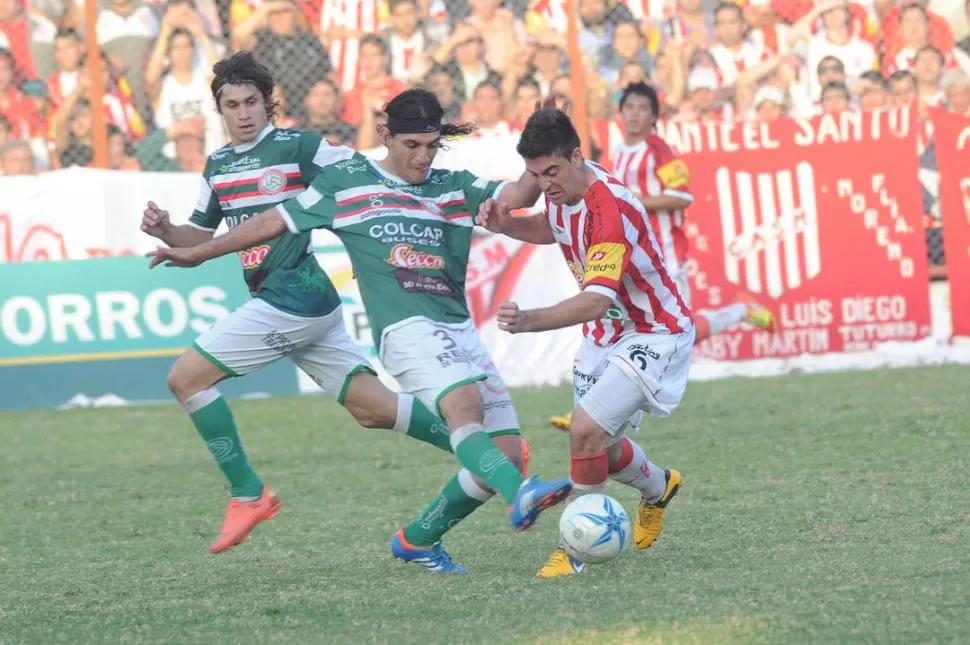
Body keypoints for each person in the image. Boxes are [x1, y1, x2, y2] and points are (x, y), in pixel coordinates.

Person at [146, 87, 573, 573]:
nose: (423, 157)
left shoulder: (451, 185)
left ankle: (419, 537)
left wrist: (542, 142)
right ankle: (519, 493)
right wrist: (197, 251)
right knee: (464, 406)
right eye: (412, 145)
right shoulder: (347, 182)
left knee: (505, 451)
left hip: (458, 329)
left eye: (432, 146)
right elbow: (272, 221)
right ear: (385, 135)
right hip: (405, 328)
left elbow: (519, 195)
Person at [140, 52, 461, 556]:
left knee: (185, 378)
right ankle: (490, 451)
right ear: (219, 110)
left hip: (294, 296)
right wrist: (166, 230)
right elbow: (199, 237)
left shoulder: (300, 147)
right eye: (232, 104)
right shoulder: (219, 165)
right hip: (302, 302)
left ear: (268, 105)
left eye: (251, 102)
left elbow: (367, 176)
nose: (244, 112)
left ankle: (249, 494)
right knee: (373, 410)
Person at [476, 106, 690, 578]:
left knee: (583, 431)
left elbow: (595, 301)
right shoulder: (560, 188)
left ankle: (573, 551)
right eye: (536, 175)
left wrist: (529, 320)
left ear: (577, 157)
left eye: (551, 171)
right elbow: (552, 227)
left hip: (653, 330)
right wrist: (507, 224)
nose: (545, 183)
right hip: (606, 334)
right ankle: (659, 487)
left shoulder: (607, 208)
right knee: (598, 450)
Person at [549, 83, 776, 431]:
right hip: (633, 258)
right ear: (620, 113)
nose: (636, 113)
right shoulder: (619, 149)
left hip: (664, 258)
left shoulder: (659, 151)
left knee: (674, 332)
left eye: (643, 108)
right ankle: (597, 407)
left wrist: (637, 200)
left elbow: (682, 196)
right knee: (625, 328)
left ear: (654, 117)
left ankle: (742, 310)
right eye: (630, 107)